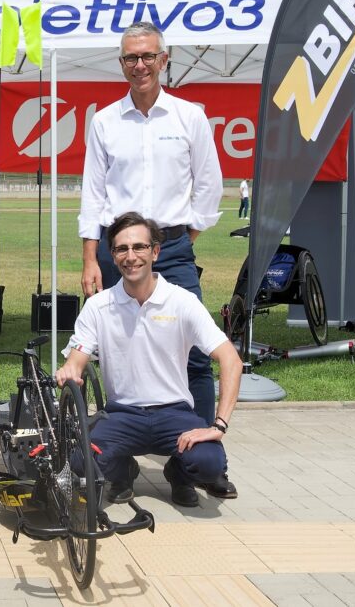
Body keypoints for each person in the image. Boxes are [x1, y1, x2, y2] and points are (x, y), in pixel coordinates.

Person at [77, 21, 234, 498]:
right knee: (113, 344)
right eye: (130, 58)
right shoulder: (105, 121)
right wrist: (91, 256)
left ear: (165, 60)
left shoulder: (189, 117)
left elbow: (209, 185)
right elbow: (92, 192)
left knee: (198, 360)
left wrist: (182, 234)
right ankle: (117, 455)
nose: (139, 65)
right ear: (121, 64)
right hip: (116, 247)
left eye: (148, 56)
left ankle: (197, 460)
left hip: (171, 247)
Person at [57, 212, 240, 508]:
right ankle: (123, 471)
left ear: (155, 251)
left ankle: (179, 474)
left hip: (174, 413)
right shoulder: (99, 306)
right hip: (123, 414)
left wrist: (218, 425)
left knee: (209, 463)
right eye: (121, 249)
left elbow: (231, 360)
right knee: (79, 460)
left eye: (139, 247)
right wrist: (69, 371)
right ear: (113, 256)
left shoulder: (182, 301)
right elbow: (76, 359)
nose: (131, 256)